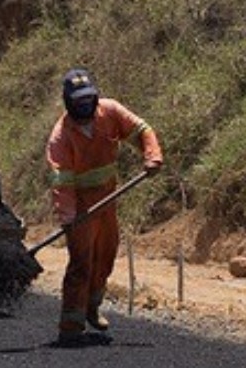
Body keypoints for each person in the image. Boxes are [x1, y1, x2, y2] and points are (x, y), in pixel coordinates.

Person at [46, 68, 163, 344]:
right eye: (79, 101)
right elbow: (61, 183)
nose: (85, 105)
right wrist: (70, 217)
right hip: (82, 208)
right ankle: (71, 325)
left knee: (105, 256)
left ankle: (92, 307)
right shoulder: (61, 138)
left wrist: (152, 156)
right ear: (68, 102)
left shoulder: (110, 112)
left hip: (107, 202)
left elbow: (141, 130)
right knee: (81, 262)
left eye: (89, 99)